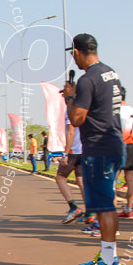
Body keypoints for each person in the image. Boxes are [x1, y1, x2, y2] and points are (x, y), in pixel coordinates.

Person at [67, 34, 125, 265]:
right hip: (113, 142)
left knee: (104, 206)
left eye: (74, 55)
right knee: (104, 204)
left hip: (98, 148)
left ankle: (109, 260)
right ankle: (107, 255)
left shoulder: (87, 79)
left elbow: (77, 118)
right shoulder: (110, 73)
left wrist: (70, 97)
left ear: (77, 52)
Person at [57, 79, 86, 225]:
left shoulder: (71, 108)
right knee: (81, 181)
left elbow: (71, 131)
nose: (63, 96)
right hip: (84, 149)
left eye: (64, 93)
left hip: (74, 150)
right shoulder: (82, 106)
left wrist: (65, 153)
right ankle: (91, 213)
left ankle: (74, 207)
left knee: (60, 178)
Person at [119, 86, 133, 216]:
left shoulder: (117, 111)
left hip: (120, 146)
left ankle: (111, 206)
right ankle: (128, 209)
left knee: (113, 177)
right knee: (129, 179)